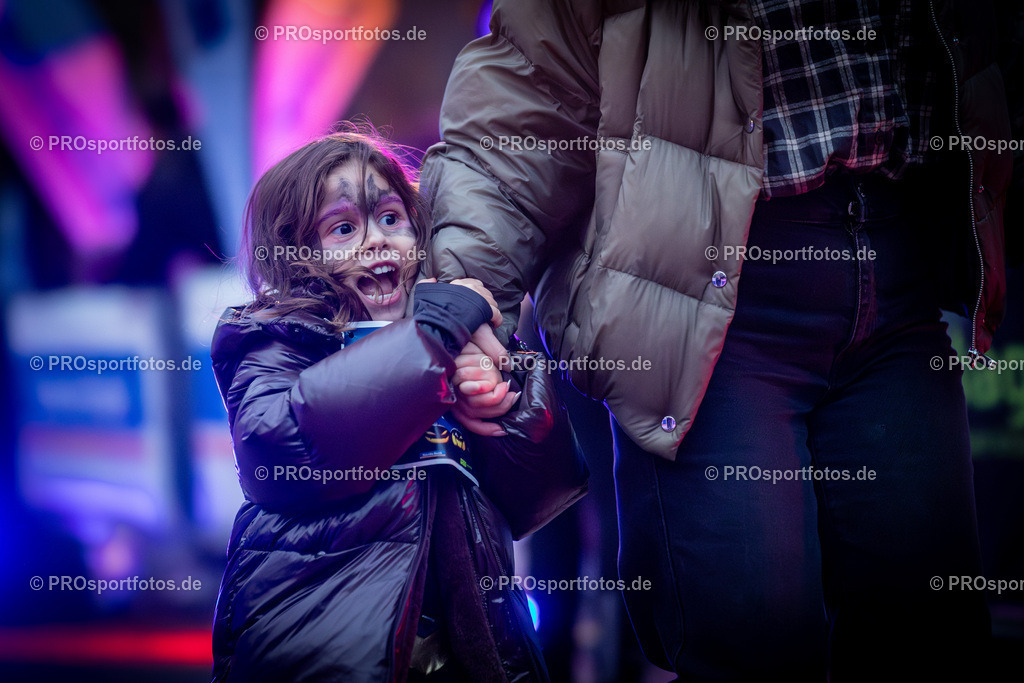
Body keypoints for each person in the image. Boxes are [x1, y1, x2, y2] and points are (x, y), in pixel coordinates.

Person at [421, 1, 1013, 680]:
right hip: (700, 292)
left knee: (932, 636)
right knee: (749, 640)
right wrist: (469, 292)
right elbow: (527, 91)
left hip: (899, 280)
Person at [208, 129, 568, 682]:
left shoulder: (438, 338)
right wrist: (434, 334)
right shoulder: (273, 338)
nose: (377, 241)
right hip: (324, 645)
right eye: (344, 228)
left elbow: (535, 493)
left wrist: (504, 393)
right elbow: (281, 444)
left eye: (392, 219)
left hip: (464, 643)